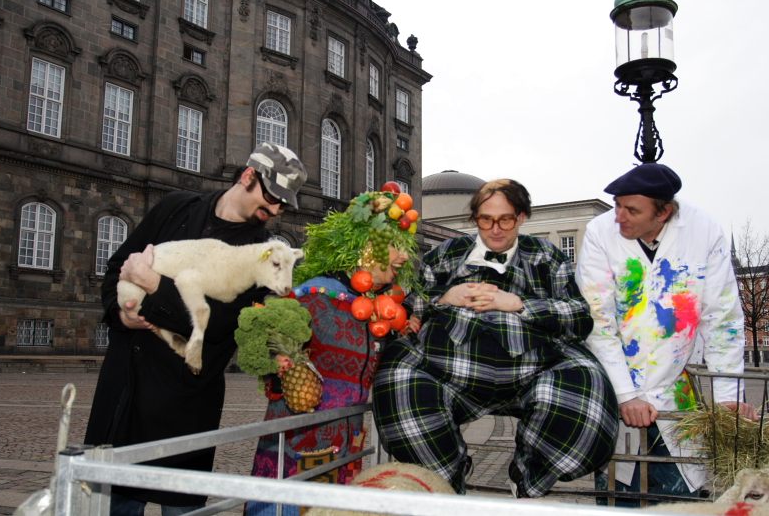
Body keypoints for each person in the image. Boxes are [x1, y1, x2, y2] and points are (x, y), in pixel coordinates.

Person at [84, 143, 307, 516]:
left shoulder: (259, 254)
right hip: (126, 387)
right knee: (115, 504)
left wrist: (155, 286)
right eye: (271, 198)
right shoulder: (176, 207)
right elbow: (117, 267)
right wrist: (120, 315)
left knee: (180, 507)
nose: (275, 211)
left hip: (184, 403)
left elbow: (222, 326)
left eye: (283, 205)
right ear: (248, 176)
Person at [372, 178, 619, 498]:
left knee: (588, 391)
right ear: (475, 218)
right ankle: (447, 477)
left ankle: (528, 474)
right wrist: (446, 297)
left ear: (521, 217)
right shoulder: (447, 254)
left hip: (532, 366)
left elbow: (579, 318)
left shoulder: (546, 256)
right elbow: (409, 311)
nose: (496, 229)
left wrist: (520, 304)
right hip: (450, 366)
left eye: (505, 219)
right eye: (486, 219)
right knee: (398, 380)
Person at [575, 162, 757, 505]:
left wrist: (727, 397)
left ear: (665, 212)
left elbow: (723, 318)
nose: (619, 217)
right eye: (617, 206)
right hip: (617, 389)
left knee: (680, 496)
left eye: (631, 210)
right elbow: (597, 320)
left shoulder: (703, 232)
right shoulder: (600, 233)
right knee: (618, 492)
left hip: (676, 389)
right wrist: (626, 394)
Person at [245, 187, 420, 516]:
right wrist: (284, 366)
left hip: (347, 451)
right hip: (298, 454)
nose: (404, 256)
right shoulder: (315, 295)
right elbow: (264, 349)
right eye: (395, 245)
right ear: (366, 245)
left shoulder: (377, 308)